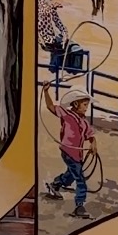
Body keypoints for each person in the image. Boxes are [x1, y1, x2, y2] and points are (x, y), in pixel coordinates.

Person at [42, 86, 95, 219]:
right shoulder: (66, 114)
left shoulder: (84, 122)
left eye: (87, 105)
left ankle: (56, 184)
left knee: (71, 175)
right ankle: (79, 206)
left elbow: (91, 135)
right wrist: (46, 91)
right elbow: (50, 106)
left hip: (78, 155)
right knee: (80, 179)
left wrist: (93, 144)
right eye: (84, 104)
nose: (86, 107)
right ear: (76, 104)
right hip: (68, 151)